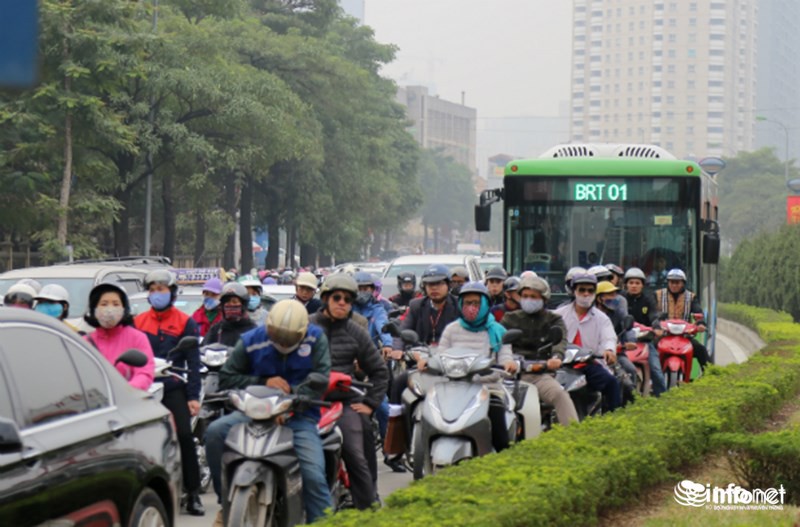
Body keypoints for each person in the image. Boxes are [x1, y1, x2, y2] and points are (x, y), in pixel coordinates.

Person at [205, 300, 332, 526]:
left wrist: (292, 395)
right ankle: (226, 501)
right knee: (215, 432)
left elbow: (321, 378)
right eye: (277, 334)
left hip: (299, 417)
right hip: (253, 414)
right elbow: (227, 376)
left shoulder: (316, 339)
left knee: (313, 477)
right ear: (268, 327)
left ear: (302, 333)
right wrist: (262, 382)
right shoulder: (250, 340)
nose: (282, 341)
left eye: (289, 337)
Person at [310, 274, 389, 508]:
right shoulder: (305, 326)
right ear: (325, 299)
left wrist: (370, 404)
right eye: (337, 297)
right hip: (307, 401)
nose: (342, 303)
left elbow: (379, 371)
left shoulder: (357, 332)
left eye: (347, 299)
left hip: (343, 402)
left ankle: (368, 505)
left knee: (356, 452)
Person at [134, 269, 204, 516]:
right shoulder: (138, 322)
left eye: (161, 289)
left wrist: (193, 397)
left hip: (173, 386)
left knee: (184, 435)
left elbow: (194, 364)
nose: (157, 294)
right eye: (152, 289)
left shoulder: (186, 322)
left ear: (172, 292)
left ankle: (193, 492)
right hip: (144, 387)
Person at [438, 282, 515, 451]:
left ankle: (503, 459)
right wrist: (429, 362)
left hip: (488, 388)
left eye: (476, 303)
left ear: (486, 305)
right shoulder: (452, 329)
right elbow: (440, 355)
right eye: (467, 303)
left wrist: (508, 364)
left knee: (498, 428)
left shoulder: (497, 330)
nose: (471, 308)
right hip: (455, 388)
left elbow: (505, 355)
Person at [501, 275, 579, 426]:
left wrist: (556, 357)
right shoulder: (510, 318)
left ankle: (574, 436)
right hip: (510, 375)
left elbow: (560, 340)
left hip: (540, 373)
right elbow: (501, 342)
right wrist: (506, 360)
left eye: (533, 297)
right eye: (525, 296)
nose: (528, 299)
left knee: (559, 394)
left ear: (544, 299)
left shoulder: (553, 319)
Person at [554, 273, 622, 412]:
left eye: (590, 291)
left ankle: (614, 422)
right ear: (574, 291)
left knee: (611, 383)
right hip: (560, 364)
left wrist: (609, 350)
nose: (586, 294)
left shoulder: (602, 318)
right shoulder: (559, 314)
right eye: (582, 290)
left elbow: (609, 337)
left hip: (588, 364)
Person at [84, 282, 154, 391]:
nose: (110, 309)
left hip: (128, 401)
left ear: (124, 309)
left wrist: (125, 390)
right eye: (104, 304)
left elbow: (144, 373)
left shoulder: (137, 338)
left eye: (116, 304)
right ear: (94, 309)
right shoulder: (85, 342)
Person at [622, 267, 667, 396]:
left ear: (642, 285)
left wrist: (656, 326)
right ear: (626, 285)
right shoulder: (621, 299)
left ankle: (662, 398)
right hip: (624, 342)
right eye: (631, 283)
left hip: (645, 340)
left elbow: (653, 314)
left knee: (656, 370)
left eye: (637, 283)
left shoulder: (648, 298)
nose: (634, 286)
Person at [654, 268, 710, 371]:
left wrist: (700, 323)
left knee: (701, 350)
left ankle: (710, 378)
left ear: (683, 283)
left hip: (684, 336)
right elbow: (651, 312)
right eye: (671, 282)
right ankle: (647, 379)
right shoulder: (658, 295)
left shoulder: (691, 297)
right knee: (649, 349)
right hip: (663, 335)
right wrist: (655, 322)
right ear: (668, 282)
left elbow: (698, 312)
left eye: (677, 282)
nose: (674, 285)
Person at [595, 281, 638, 405]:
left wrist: (630, 341)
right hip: (595, 355)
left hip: (615, 354)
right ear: (599, 298)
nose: (614, 298)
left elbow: (627, 325)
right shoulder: (592, 314)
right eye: (610, 295)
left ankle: (630, 404)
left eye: (615, 294)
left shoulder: (617, 313)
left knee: (630, 370)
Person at [397, 264, 459, 348]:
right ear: (424, 287)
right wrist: (397, 350)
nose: (434, 288)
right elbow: (402, 333)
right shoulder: (416, 305)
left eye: (439, 283)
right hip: (421, 355)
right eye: (430, 284)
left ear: (449, 285)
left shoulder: (459, 305)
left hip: (452, 356)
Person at [352, 272, 393, 356]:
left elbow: (383, 326)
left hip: (369, 352)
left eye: (365, 289)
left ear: (372, 289)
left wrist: (388, 344)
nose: (362, 292)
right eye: (359, 289)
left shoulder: (377, 309)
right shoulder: (346, 307)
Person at [204, 282, 257, 347]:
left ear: (243, 305)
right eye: (227, 302)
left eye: (234, 302)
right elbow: (204, 350)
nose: (230, 305)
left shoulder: (253, 330)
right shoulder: (216, 330)